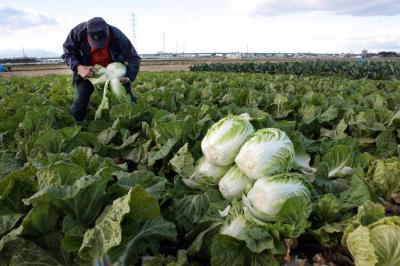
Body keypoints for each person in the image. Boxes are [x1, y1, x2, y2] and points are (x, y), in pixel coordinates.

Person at [62, 17, 141, 121]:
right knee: (80, 100)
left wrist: (129, 77)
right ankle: (73, 124)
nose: (98, 46)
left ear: (107, 32)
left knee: (127, 98)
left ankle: (136, 121)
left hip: (113, 72)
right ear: (87, 34)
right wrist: (78, 67)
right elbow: (68, 53)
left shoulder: (117, 35)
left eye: (101, 42)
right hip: (88, 71)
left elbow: (133, 57)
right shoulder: (76, 33)